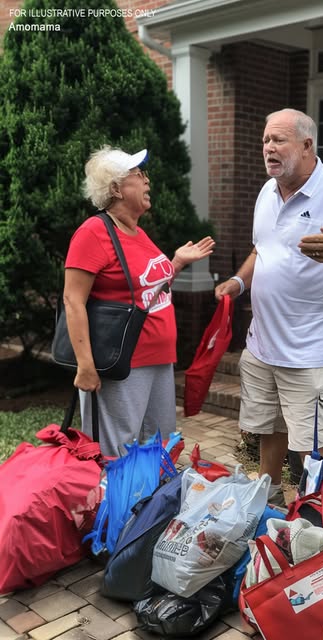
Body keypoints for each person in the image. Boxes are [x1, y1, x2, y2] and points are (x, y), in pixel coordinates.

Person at [215, 108, 323, 505]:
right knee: (270, 429)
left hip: (310, 351)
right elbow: (263, 249)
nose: (268, 148)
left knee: (314, 446)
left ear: (307, 145)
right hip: (263, 344)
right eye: (265, 141)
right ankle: (268, 500)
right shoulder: (267, 193)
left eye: (278, 140)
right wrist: (239, 282)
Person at [63, 145, 215, 456]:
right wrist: (86, 365)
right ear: (116, 189)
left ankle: (150, 491)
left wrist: (176, 262)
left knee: (158, 447)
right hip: (122, 362)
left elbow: (147, 289)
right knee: (117, 453)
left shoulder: (137, 233)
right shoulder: (93, 232)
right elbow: (72, 300)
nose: (147, 180)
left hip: (159, 357)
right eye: (138, 174)